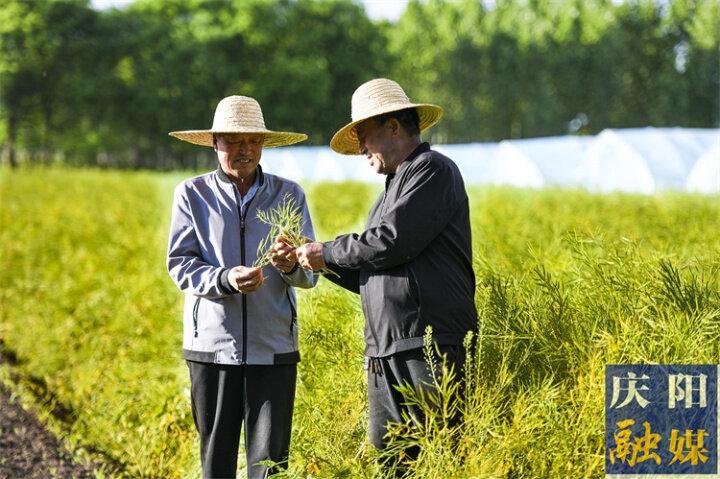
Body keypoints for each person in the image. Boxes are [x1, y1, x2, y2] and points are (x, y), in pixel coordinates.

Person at [296, 78, 477, 464]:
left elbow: (390, 241)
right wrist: (319, 263)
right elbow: (373, 272)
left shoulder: (433, 170)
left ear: (393, 126)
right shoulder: (389, 192)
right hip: (386, 349)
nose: (360, 148)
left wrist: (327, 250)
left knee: (442, 454)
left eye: (364, 135)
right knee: (392, 458)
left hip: (428, 344)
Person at [166, 95, 316, 479]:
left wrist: (289, 265)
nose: (244, 150)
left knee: (270, 466)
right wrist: (225, 279)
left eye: (252, 141)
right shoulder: (192, 194)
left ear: (263, 145)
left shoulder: (289, 194)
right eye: (233, 140)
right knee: (216, 463)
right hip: (211, 350)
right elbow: (180, 264)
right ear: (215, 143)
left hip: (274, 348)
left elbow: (309, 273)